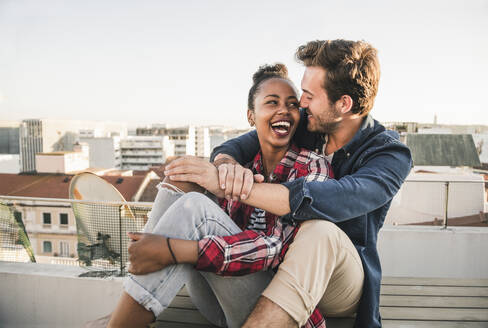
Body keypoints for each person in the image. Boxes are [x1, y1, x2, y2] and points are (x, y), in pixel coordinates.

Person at [167, 39, 412, 328]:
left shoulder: (389, 155)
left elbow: (334, 199)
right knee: (185, 184)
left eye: (308, 95)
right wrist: (226, 166)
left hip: (339, 282)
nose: (302, 103)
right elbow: (243, 142)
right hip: (277, 262)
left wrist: (240, 190)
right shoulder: (310, 123)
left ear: (344, 103)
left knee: (320, 230)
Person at [103, 63, 333, 328]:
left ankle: (118, 323)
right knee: (183, 177)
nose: (284, 110)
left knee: (196, 209)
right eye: (272, 102)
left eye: (292, 104)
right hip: (220, 304)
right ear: (251, 116)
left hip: (273, 309)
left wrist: (175, 250)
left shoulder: (313, 166)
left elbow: (276, 250)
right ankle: (129, 297)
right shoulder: (241, 167)